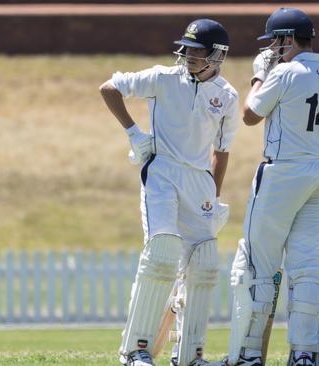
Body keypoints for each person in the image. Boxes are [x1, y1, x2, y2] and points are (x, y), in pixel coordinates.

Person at [99, 18, 240, 366]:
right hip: (162, 173)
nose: (189, 54)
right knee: (161, 253)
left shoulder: (227, 96)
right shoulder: (163, 78)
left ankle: (190, 356)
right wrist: (134, 133)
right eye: (186, 48)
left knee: (203, 264)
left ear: (217, 55)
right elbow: (109, 88)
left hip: (199, 182)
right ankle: (135, 351)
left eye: (197, 50)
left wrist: (214, 197)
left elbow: (221, 152)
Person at [221, 8, 319, 366]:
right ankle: (304, 354)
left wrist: (259, 75)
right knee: (307, 264)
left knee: (257, 262)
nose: (272, 50)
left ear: (289, 39)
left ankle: (248, 355)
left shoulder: (284, 73)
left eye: (276, 42)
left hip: (282, 174)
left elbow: (249, 115)